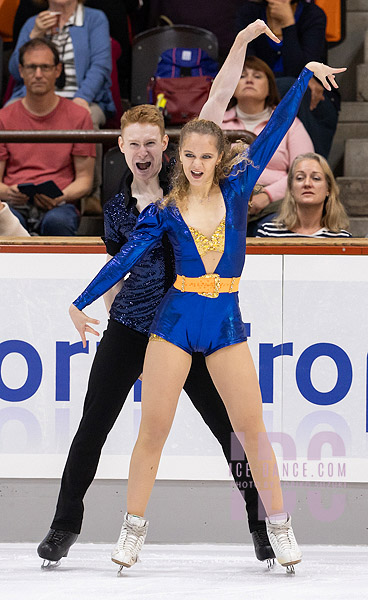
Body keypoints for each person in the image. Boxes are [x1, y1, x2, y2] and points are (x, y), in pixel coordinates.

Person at [69, 20, 345, 571]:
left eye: (204, 156)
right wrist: (81, 300)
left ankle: (280, 525)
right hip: (174, 323)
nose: (195, 165)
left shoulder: (240, 189)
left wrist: (303, 76)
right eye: (188, 157)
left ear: (219, 158)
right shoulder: (167, 211)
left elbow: (274, 131)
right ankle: (132, 531)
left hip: (223, 325)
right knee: (154, 431)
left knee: (252, 431)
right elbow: (124, 259)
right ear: (183, 158)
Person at [37, 108, 275, 568]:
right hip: (130, 326)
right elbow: (117, 265)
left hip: (186, 329)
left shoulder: (186, 185)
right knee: (92, 426)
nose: (143, 152)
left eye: (152, 143)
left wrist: (242, 42)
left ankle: (262, 527)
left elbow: (212, 115)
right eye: (134, 144)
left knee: (231, 431)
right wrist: (100, 310)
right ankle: (64, 525)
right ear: (121, 149)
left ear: (166, 147)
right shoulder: (117, 209)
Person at [0, 38, 95, 236]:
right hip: (14, 202)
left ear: (57, 70)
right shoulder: (4, 117)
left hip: (60, 204)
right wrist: (8, 191)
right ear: (21, 71)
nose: (38, 75)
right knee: (6, 219)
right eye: (32, 67)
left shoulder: (79, 116)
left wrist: (61, 197)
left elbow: (85, 180)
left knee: (58, 222)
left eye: (45, 67)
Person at [221, 55, 313, 235]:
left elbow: (305, 173)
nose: (249, 80)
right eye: (242, 76)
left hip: (275, 203)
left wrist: (267, 196)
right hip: (223, 202)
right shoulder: (218, 123)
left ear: (270, 88)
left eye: (257, 76)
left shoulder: (290, 125)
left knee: (276, 228)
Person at [235, 0, 339, 158]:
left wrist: (288, 24)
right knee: (289, 86)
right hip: (260, 93)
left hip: (311, 100)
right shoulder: (249, 14)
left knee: (295, 89)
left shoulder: (313, 15)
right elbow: (249, 67)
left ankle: (308, 170)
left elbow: (306, 67)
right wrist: (303, 78)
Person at [8, 0, 115, 128]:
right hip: (34, 99)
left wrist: (82, 98)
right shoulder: (32, 23)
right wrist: (35, 34)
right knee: (8, 116)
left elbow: (100, 66)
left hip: (84, 99)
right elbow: (16, 71)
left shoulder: (95, 19)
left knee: (86, 120)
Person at [256, 152, 351, 238]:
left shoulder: (342, 238)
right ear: (291, 189)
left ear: (328, 189)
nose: (307, 184)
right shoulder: (267, 233)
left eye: (316, 178)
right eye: (300, 178)